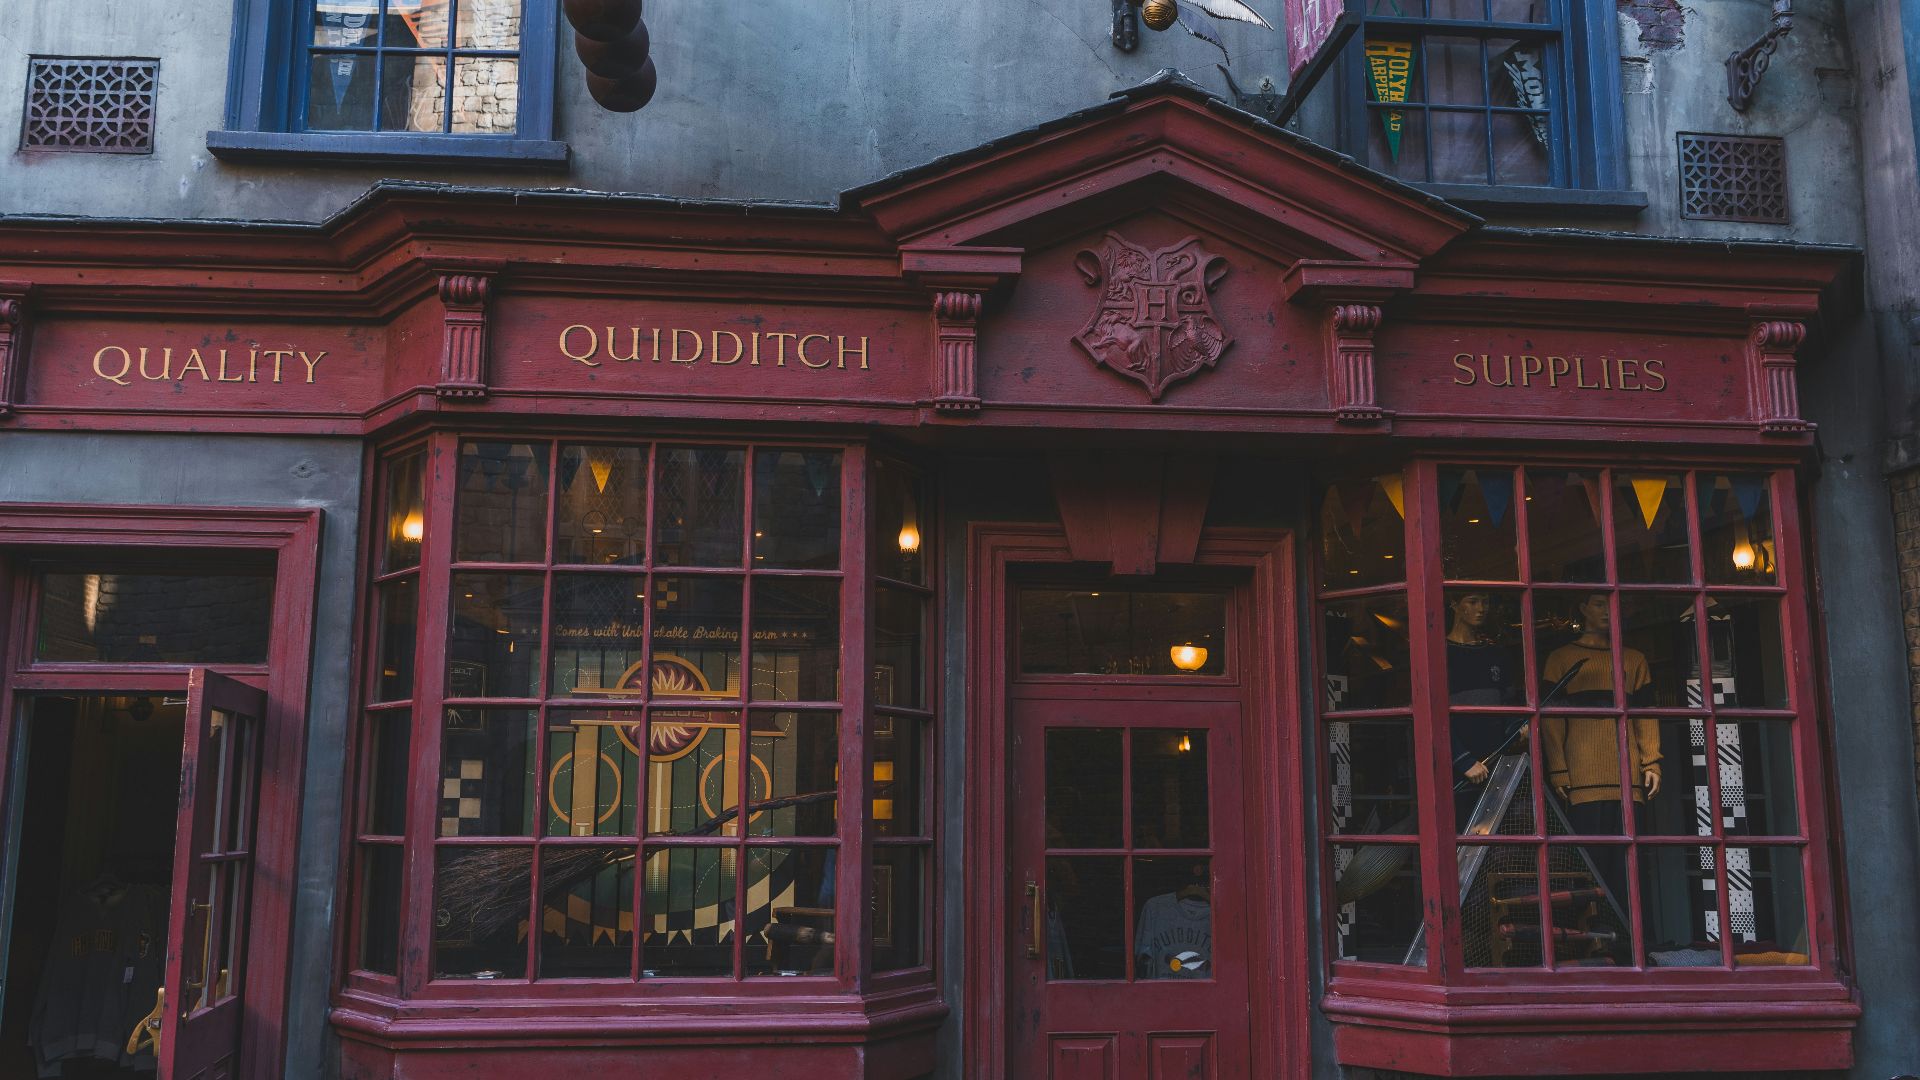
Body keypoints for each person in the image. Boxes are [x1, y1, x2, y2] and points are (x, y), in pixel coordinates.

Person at [1540, 592, 1661, 933]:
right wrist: (1559, 767)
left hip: (1628, 777)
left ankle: (1634, 940)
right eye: (1597, 603)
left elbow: (1645, 715)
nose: (1607, 611)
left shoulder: (1633, 659)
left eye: (1611, 603)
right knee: (1588, 864)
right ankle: (1593, 938)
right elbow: (1551, 720)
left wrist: (1652, 761)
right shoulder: (1561, 659)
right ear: (1581, 608)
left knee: (1630, 866)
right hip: (1582, 777)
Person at [1446, 591, 1522, 830]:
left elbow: (1510, 704)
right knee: (1462, 840)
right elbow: (1431, 720)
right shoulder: (1440, 655)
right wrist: (1463, 761)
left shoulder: (1496, 654)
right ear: (1455, 605)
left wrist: (1518, 727)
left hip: (1498, 766)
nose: (1481, 608)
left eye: (1486, 602)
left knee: (1501, 843)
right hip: (1458, 772)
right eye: (1472, 601)